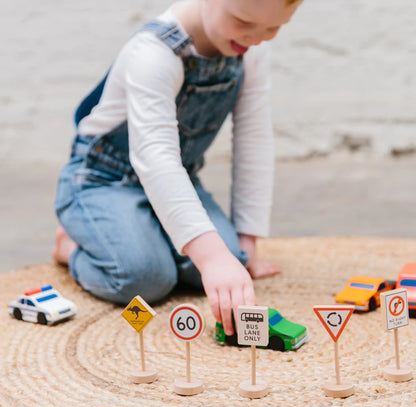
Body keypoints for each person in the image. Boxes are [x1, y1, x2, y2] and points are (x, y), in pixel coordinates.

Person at [53, 0, 303, 336]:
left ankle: (148, 234)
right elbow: (156, 159)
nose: (256, 37)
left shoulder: (250, 52)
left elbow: (253, 142)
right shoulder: (153, 53)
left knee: (231, 259)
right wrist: (213, 260)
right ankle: (69, 246)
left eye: (273, 28)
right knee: (145, 279)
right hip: (104, 180)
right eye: (243, 21)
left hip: (177, 179)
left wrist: (247, 243)